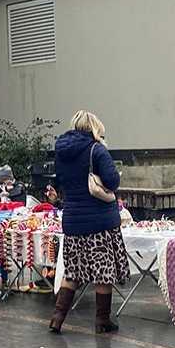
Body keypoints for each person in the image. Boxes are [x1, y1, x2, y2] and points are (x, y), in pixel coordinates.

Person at [49, 110, 125, 335]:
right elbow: (112, 181)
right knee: (103, 272)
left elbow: (61, 181)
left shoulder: (61, 153)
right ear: (94, 127)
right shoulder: (97, 149)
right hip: (99, 222)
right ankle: (102, 321)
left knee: (72, 272)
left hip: (72, 219)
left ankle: (57, 318)